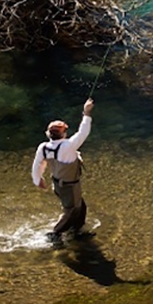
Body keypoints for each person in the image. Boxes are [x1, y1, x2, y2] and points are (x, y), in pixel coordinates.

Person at [31, 98, 95, 243]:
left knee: (81, 207)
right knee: (71, 210)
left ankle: (76, 232)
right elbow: (83, 132)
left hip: (58, 185)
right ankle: (55, 233)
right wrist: (86, 112)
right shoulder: (68, 146)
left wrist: (38, 180)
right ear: (63, 134)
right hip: (69, 186)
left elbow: (38, 164)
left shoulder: (44, 147)